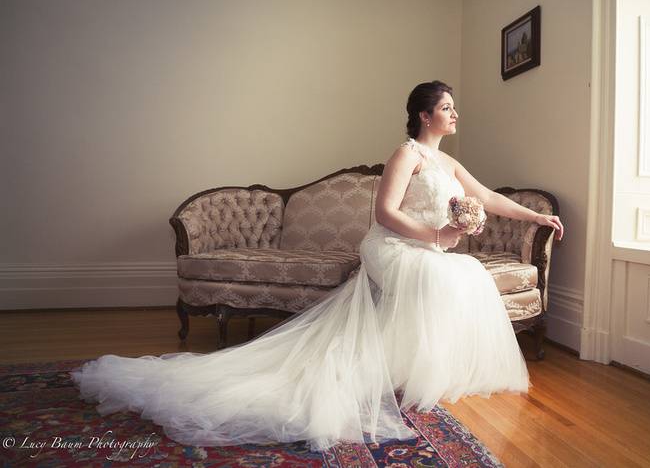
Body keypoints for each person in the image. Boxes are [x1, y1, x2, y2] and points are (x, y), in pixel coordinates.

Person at [70, 80, 565, 453]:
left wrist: (536, 215)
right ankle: (393, 374)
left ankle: (418, 372)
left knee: (465, 273)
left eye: (453, 107)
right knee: (441, 273)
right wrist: (437, 235)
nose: (455, 114)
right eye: (446, 108)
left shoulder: (451, 164)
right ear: (423, 115)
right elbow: (385, 214)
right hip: (393, 246)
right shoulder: (406, 154)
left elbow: (489, 198)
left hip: (429, 248)